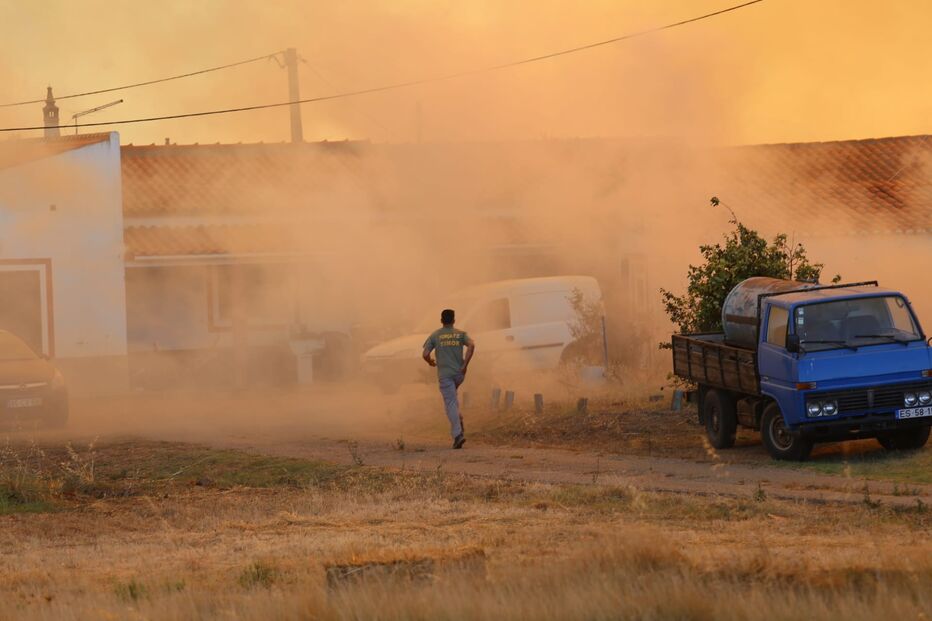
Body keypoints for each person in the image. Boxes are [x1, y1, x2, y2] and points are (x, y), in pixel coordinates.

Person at [423, 308, 475, 449]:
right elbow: (472, 345)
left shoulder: (435, 335)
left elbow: (425, 353)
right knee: (453, 398)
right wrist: (465, 365)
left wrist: (430, 362)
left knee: (450, 403)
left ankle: (458, 435)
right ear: (454, 320)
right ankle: (458, 419)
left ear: (441, 321)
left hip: (445, 375)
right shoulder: (460, 334)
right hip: (459, 374)